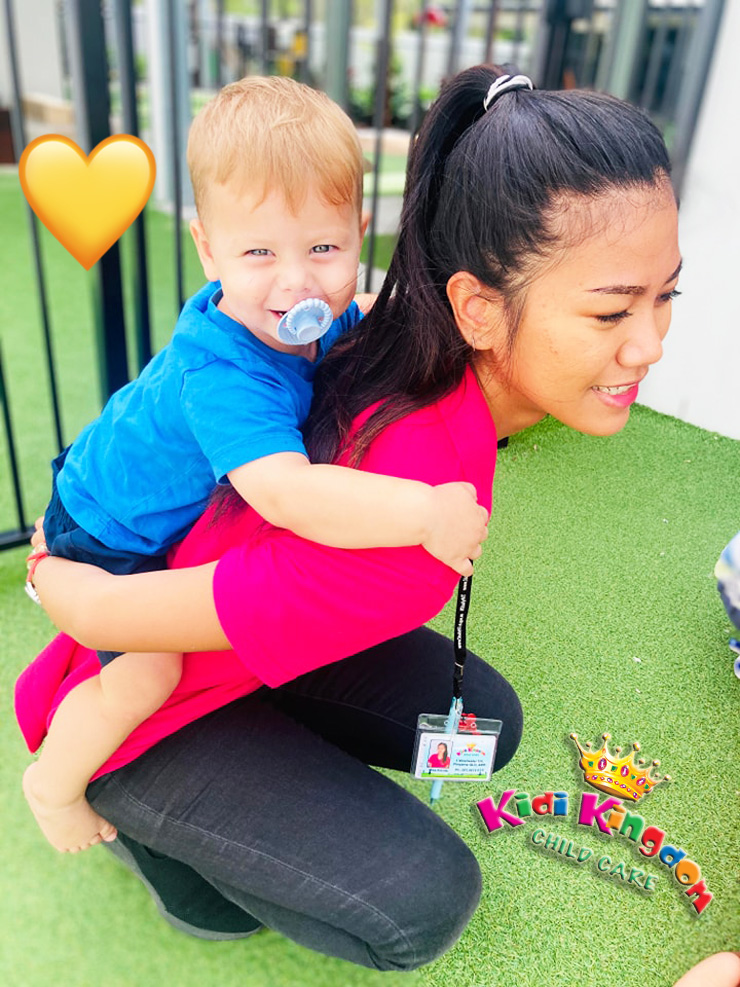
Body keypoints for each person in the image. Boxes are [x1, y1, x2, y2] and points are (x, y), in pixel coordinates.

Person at [17, 64, 680, 971]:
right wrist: (54, 577)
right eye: (611, 309)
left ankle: (258, 750)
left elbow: (358, 312)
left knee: (484, 725)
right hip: (126, 637)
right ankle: (90, 790)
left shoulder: (378, 332)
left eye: (665, 295)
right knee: (376, 909)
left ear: (358, 238)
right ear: (474, 305)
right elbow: (255, 518)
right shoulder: (385, 519)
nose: (650, 343)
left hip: (204, 596)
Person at [21, 76, 488, 856]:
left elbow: (362, 312)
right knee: (146, 676)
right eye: (259, 252)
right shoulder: (228, 376)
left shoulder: (308, 312)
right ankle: (55, 783)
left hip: (143, 493)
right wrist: (423, 512)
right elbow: (285, 492)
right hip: (106, 529)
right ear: (209, 249)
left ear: (358, 232)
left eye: (323, 248)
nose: (297, 281)